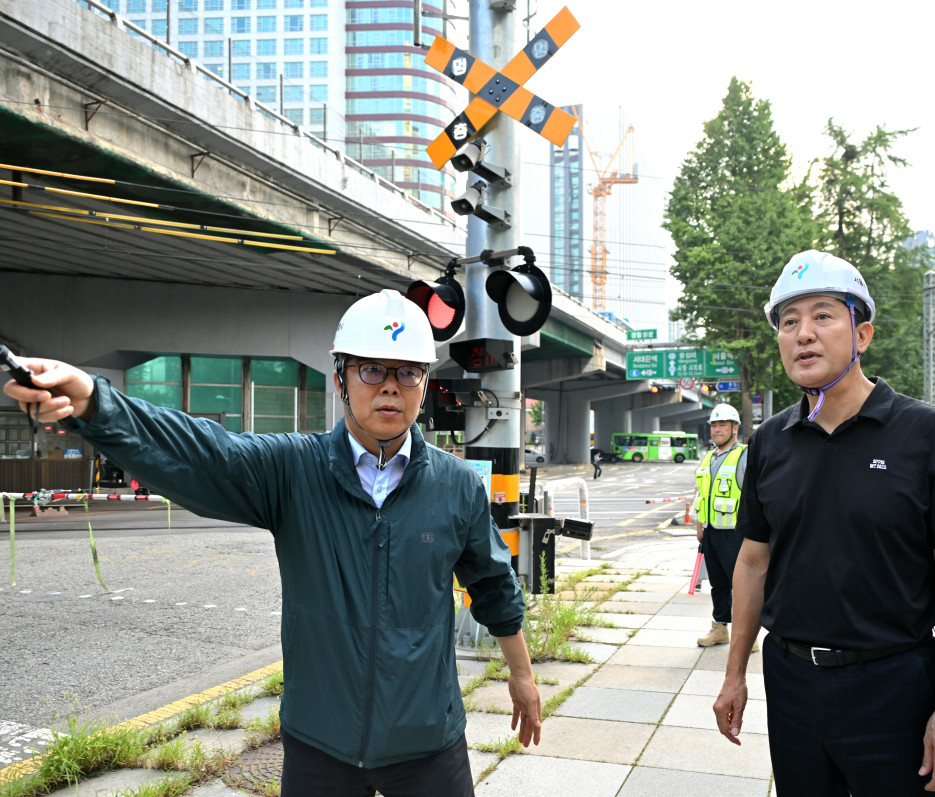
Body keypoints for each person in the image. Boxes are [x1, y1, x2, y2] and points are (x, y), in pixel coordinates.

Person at [2, 290, 541, 797]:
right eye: (371, 369)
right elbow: (205, 454)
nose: (390, 387)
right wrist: (98, 403)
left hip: (428, 738)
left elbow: (493, 584)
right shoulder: (293, 469)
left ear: (424, 383)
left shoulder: (456, 485)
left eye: (407, 372)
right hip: (320, 740)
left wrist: (521, 675)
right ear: (340, 378)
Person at [712, 251, 935, 796]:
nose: (803, 335)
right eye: (789, 322)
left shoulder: (928, 434)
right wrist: (734, 674)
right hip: (791, 680)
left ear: (862, 334)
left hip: (894, 682)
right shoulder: (770, 441)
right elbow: (752, 561)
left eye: (822, 316)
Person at [692, 403, 750, 648]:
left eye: (722, 425)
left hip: (735, 534)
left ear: (734, 428)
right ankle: (719, 628)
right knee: (718, 583)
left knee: (741, 584)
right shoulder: (708, 456)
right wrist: (699, 525)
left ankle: (747, 634)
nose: (716, 430)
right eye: (714, 425)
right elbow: (701, 494)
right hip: (711, 532)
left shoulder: (743, 455)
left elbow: (752, 496)